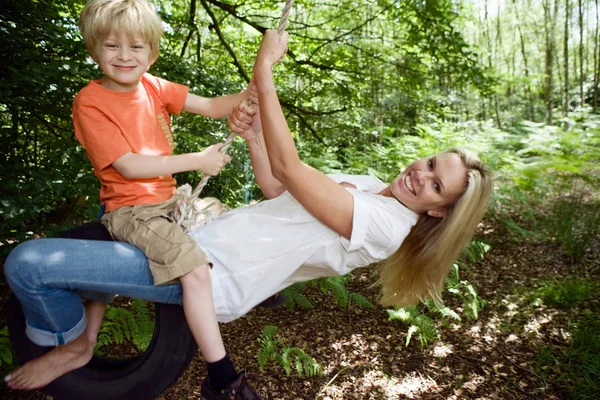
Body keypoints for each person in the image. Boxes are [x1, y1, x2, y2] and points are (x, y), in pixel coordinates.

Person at [4, 30, 493, 399]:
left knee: (28, 264)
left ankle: (69, 346)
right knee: (96, 230)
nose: (419, 176)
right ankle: (84, 339)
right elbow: (279, 186)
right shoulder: (370, 186)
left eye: (435, 185)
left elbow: (290, 166)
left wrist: (264, 71)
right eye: (431, 163)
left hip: (207, 273)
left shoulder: (387, 227)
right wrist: (255, 134)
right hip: (193, 234)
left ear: (440, 210)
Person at [8, 0, 261, 397]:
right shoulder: (90, 101)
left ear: (152, 52)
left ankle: (84, 343)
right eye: (112, 46)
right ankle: (222, 377)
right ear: (94, 50)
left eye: (136, 47)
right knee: (195, 272)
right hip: (134, 210)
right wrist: (197, 160)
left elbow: (213, 106)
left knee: (102, 269)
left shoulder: (154, 87)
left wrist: (255, 86)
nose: (124, 56)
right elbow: (127, 165)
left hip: (163, 203)